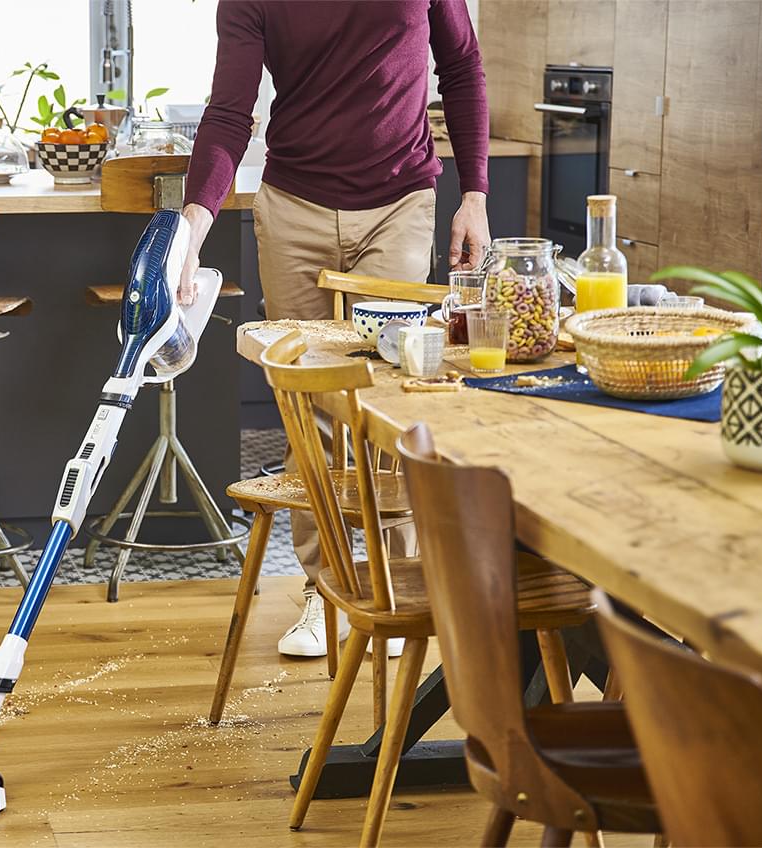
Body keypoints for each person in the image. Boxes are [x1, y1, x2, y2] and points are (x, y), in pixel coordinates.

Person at [179, 0, 491, 658]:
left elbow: (461, 66)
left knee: (392, 396)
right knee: (312, 405)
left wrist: (475, 194)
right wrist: (193, 226)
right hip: (293, 206)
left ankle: (399, 584)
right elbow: (231, 110)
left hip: (400, 201)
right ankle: (323, 591)